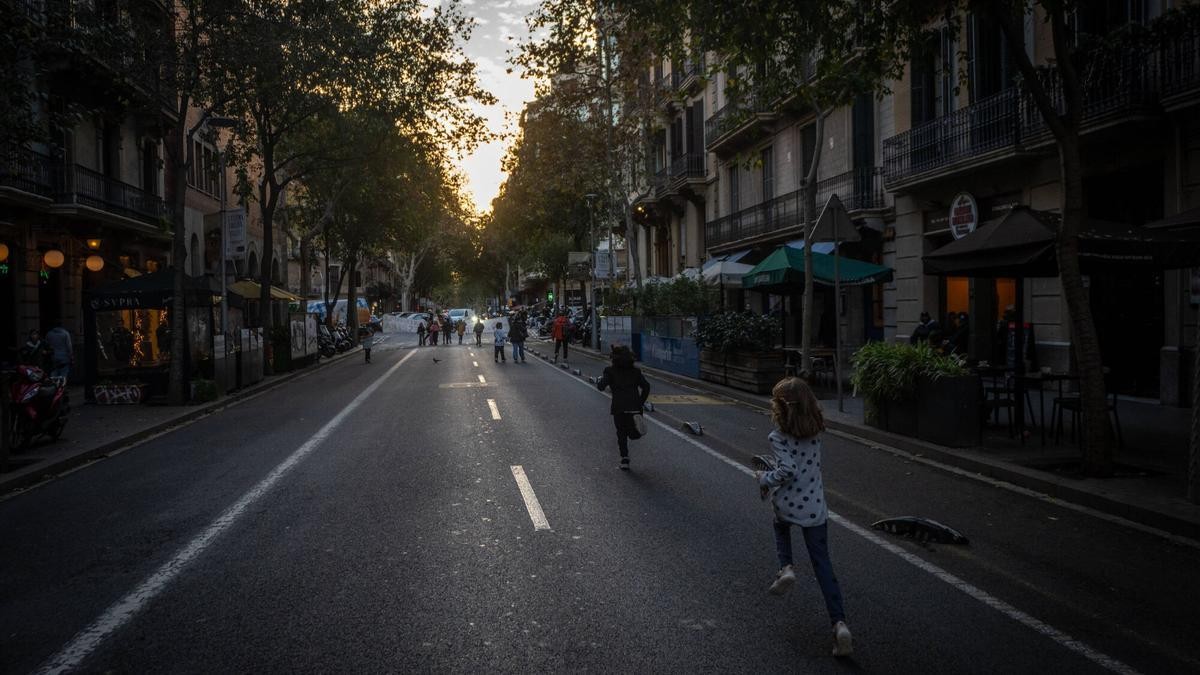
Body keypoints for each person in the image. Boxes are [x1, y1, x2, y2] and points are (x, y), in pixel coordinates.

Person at [755, 376, 853, 657]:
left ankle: (786, 567)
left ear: (780, 408)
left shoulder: (777, 436)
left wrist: (764, 477)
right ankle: (840, 624)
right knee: (823, 565)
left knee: (780, 526)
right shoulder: (816, 431)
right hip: (815, 508)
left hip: (788, 503)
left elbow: (787, 471)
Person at [596, 345, 650, 471]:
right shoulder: (636, 372)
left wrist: (601, 381)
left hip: (619, 407)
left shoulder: (610, 371)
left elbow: (601, 386)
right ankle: (634, 431)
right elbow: (646, 387)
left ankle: (624, 458)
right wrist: (640, 402)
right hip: (635, 407)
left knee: (621, 433)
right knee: (633, 433)